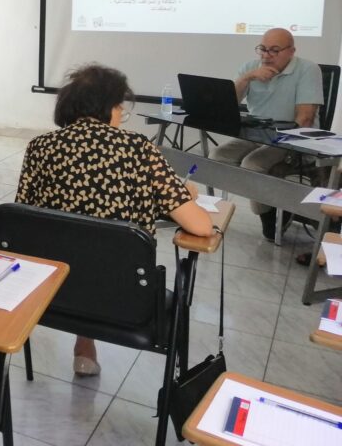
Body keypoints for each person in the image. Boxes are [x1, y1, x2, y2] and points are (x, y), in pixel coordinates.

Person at [17, 63, 212, 377]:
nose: (121, 114)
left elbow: (27, 215)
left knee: (80, 244)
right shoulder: (138, 149)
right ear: (107, 106)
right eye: (120, 106)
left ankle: (84, 345)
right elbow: (201, 227)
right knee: (100, 254)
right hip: (123, 298)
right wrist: (182, 194)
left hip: (49, 290)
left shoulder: (39, 148)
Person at [211, 27, 323, 241]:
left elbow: (305, 118)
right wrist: (246, 78)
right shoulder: (250, 68)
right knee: (218, 156)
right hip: (255, 134)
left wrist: (280, 144)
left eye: (274, 50)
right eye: (262, 49)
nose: (266, 55)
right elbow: (228, 105)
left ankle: (270, 217)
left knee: (253, 164)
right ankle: (222, 210)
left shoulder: (308, 69)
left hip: (291, 138)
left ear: (291, 51)